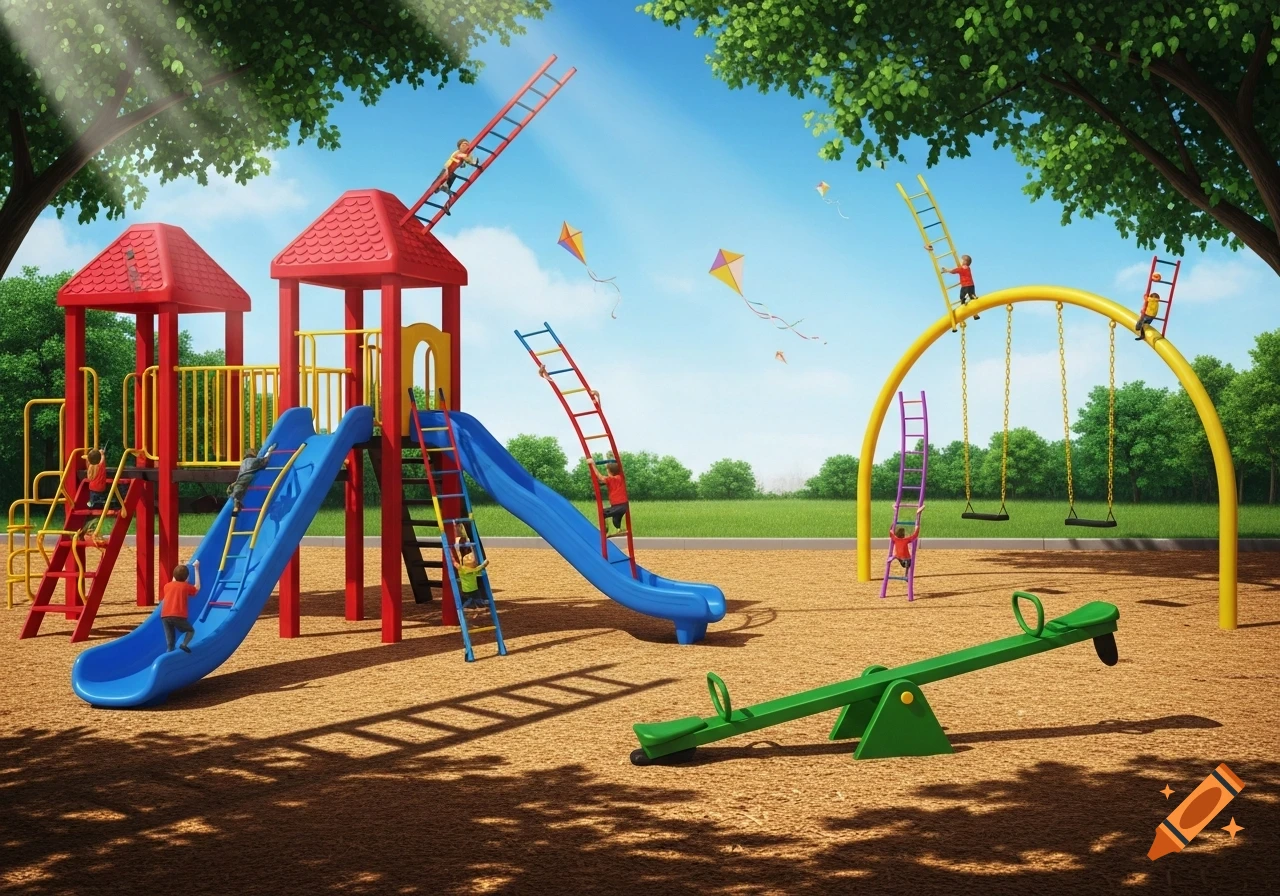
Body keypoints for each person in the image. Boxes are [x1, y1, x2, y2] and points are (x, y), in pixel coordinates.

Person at [161, 560, 201, 653]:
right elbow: (197, 587)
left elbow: (174, 580)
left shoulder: (167, 586)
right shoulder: (185, 586)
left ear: (174, 576)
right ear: (187, 577)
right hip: (178, 616)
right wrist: (196, 569)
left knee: (170, 641)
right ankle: (184, 645)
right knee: (191, 631)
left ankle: (169, 652)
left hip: (165, 616)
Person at [227, 443, 277, 514]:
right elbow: (265, 460)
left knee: (237, 495)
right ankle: (235, 510)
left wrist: (233, 484)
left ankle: (236, 509)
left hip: (240, 481)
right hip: (245, 480)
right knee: (238, 496)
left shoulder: (243, 462)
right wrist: (270, 451)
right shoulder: (254, 461)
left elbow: (241, 476)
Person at [436, 139, 478, 215]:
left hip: (452, 173)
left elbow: (465, 160)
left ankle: (447, 205)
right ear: (459, 146)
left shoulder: (466, 155)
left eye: (467, 145)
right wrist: (464, 162)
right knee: (438, 185)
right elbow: (455, 157)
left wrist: (465, 163)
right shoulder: (458, 153)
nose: (466, 146)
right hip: (447, 169)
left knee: (450, 192)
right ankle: (440, 187)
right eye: (463, 145)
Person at [590, 460, 629, 532]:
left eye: (607, 470)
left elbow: (600, 477)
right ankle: (619, 529)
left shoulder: (610, 479)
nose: (607, 472)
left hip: (618, 506)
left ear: (610, 471)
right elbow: (620, 467)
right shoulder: (621, 477)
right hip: (624, 506)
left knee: (602, 513)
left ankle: (605, 528)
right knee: (615, 520)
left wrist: (592, 465)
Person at [887, 506, 925, 570]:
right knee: (900, 557)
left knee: (897, 555)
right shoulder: (904, 540)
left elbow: (890, 531)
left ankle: (896, 512)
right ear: (903, 535)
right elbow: (915, 535)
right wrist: (917, 528)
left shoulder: (895, 539)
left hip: (903, 559)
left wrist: (892, 524)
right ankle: (918, 514)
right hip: (906, 560)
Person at [943, 255, 980, 320]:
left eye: (960, 260)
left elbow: (953, 271)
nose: (959, 261)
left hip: (965, 286)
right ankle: (975, 314)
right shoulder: (968, 268)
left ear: (964, 262)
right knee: (972, 298)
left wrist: (946, 270)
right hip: (971, 285)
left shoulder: (961, 268)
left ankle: (964, 303)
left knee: (962, 297)